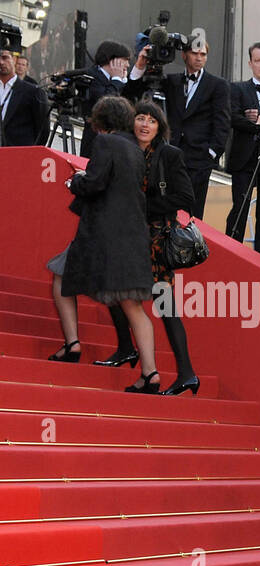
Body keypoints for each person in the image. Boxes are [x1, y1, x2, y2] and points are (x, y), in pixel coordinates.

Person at [46, 96, 158, 394]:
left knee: (60, 276)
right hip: (132, 235)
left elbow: (96, 183)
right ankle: (151, 373)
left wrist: (75, 183)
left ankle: (72, 344)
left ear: (100, 121)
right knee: (133, 306)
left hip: (102, 235)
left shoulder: (106, 144)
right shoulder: (135, 149)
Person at [133, 100, 200, 396]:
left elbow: (186, 197)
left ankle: (186, 372)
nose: (145, 124)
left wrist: (143, 207)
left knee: (165, 306)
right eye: (140, 118)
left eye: (152, 120)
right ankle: (132, 354)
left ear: (159, 127)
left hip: (157, 240)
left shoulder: (169, 154)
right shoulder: (127, 150)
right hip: (130, 237)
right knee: (119, 294)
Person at [125, 35, 230, 219]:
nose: (199, 58)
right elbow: (131, 94)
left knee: (193, 215)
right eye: (194, 53)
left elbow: (222, 122)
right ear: (184, 55)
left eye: (203, 54)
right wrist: (140, 65)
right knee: (165, 207)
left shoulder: (218, 85)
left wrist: (211, 153)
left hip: (199, 159)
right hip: (168, 155)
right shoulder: (170, 81)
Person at [225, 42, 260, 255]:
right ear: (250, 63)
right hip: (243, 159)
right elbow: (232, 117)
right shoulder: (237, 89)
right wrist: (258, 123)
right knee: (239, 208)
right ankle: (232, 254)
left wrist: (259, 118)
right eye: (258, 61)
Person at [80, 41, 130, 158]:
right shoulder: (92, 76)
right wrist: (117, 80)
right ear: (112, 60)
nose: (127, 65)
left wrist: (120, 81)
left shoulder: (116, 80)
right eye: (125, 60)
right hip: (94, 142)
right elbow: (106, 103)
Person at [0, 47, 48, 147]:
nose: (1, 62)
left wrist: (29, 154)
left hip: (17, 154)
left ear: (14, 60)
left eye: (5, 58)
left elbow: (42, 130)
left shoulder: (33, 91)